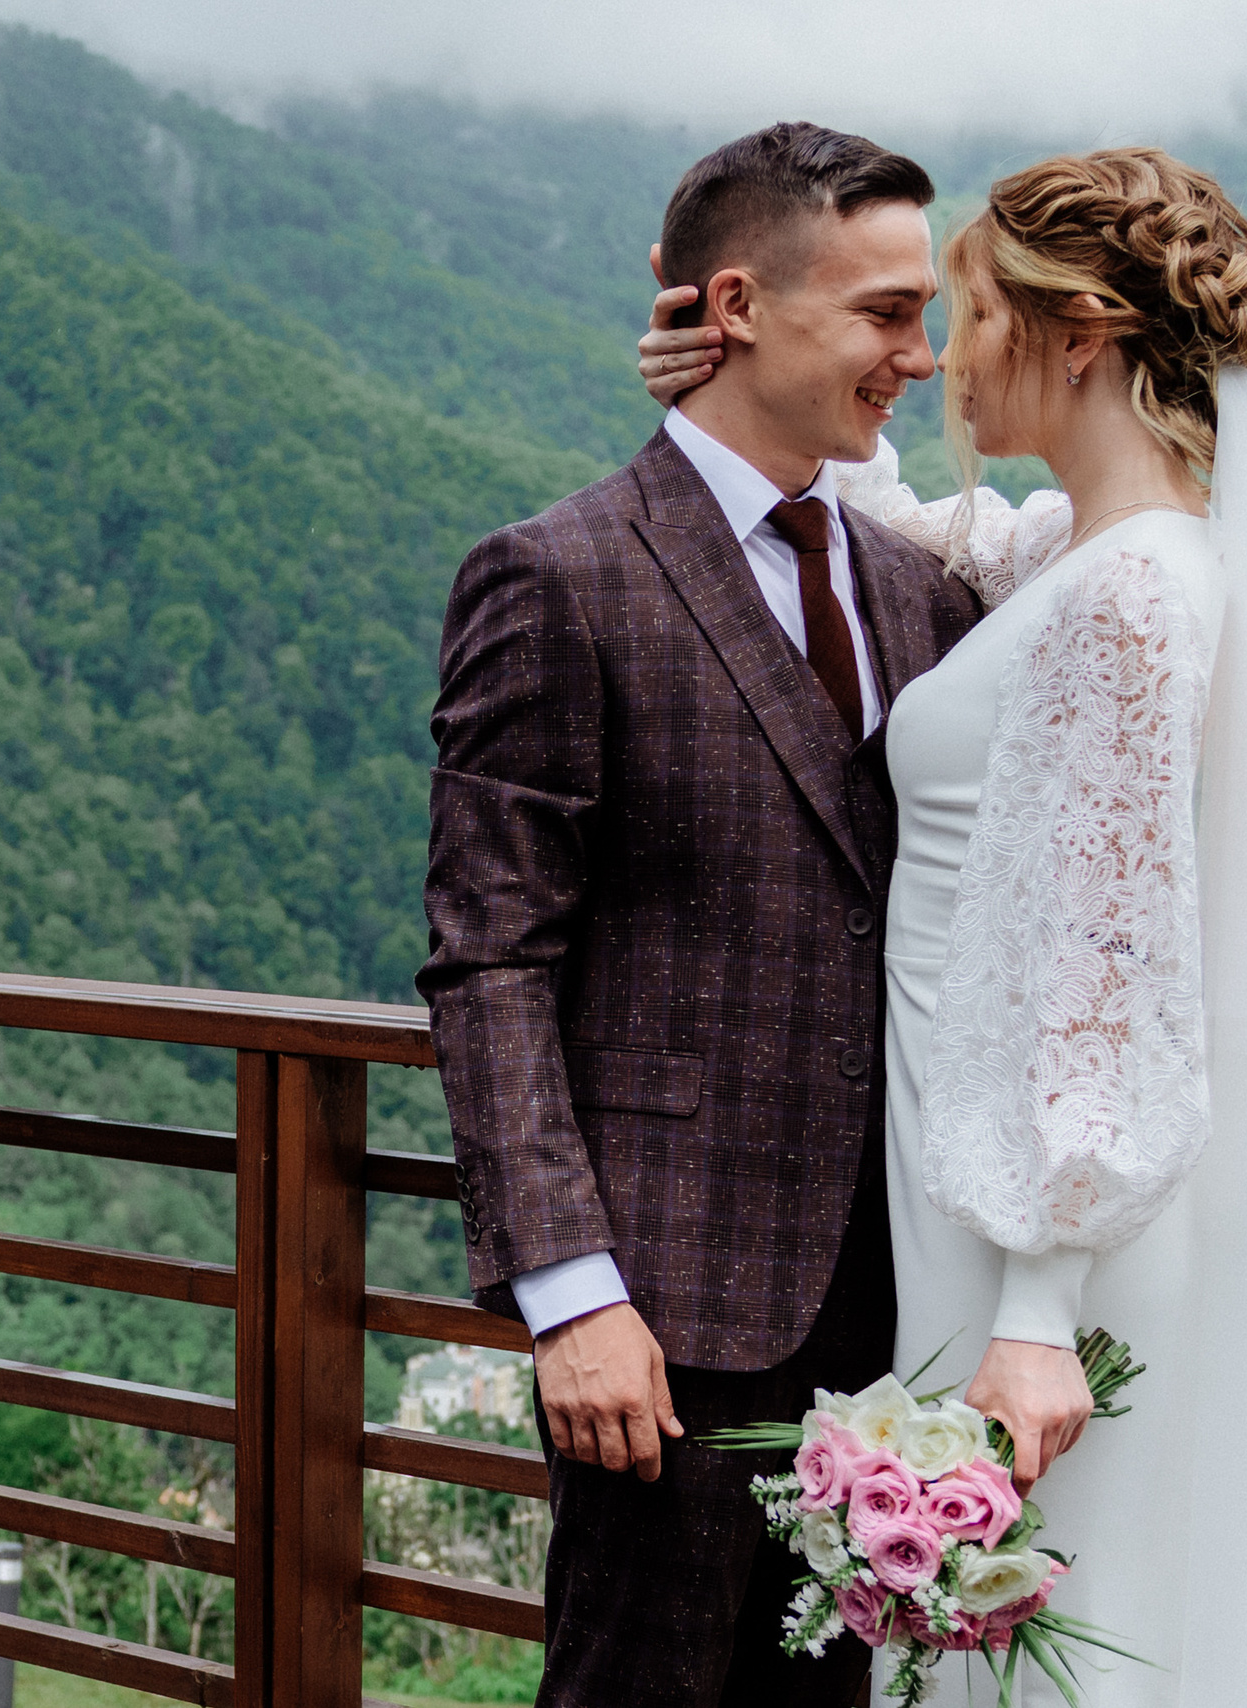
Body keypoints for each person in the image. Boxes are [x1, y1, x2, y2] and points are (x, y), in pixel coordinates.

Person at [637, 146, 1247, 1705]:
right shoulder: (1089, 560)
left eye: (977, 309)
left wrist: (1033, 1308)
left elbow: (1102, 959)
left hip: (1030, 1243)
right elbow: (921, 536)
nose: (943, 354)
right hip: (986, 1200)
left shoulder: (1131, 599)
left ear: (1080, 334)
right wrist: (725, 388)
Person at [417, 123, 982, 1707]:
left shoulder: (922, 589)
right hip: (658, 1319)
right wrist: (571, 1293)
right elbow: (491, 956)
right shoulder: (558, 577)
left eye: (926, 315)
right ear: (736, 303)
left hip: (895, 1313)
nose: (920, 358)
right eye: (883, 314)